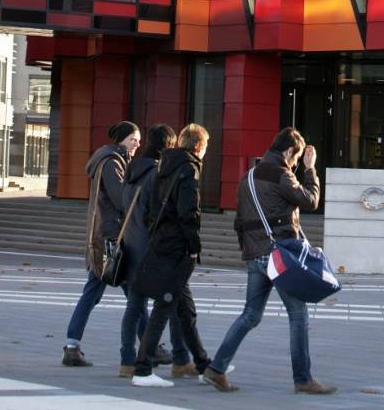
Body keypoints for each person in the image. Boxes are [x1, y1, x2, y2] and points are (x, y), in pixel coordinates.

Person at [202, 127, 336, 395]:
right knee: (298, 316)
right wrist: (310, 170)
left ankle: (216, 369)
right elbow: (310, 201)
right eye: (296, 157)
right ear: (288, 151)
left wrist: (250, 252)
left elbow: (239, 220)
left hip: (255, 254)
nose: (296, 162)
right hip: (280, 256)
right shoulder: (282, 175)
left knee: (250, 315)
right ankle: (303, 379)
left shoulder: (247, 176)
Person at [62, 121, 168, 369]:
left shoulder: (109, 160)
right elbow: (122, 199)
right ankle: (150, 348)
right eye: (133, 139)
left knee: (104, 295)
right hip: (113, 241)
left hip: (105, 238)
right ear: (121, 139)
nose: (137, 144)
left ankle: (72, 346)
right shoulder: (112, 163)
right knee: (134, 295)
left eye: (139, 140)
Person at [132, 123, 212, 388]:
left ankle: (203, 365)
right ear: (199, 147)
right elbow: (189, 213)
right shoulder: (189, 169)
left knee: (185, 310)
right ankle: (142, 370)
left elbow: (148, 209)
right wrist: (193, 247)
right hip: (176, 250)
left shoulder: (162, 167)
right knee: (164, 308)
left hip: (161, 243)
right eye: (206, 148)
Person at [120, 124, 194, 379]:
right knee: (168, 302)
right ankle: (177, 358)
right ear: (168, 146)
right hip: (151, 247)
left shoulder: (131, 170)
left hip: (129, 243)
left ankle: (127, 359)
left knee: (135, 305)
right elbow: (156, 211)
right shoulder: (156, 173)